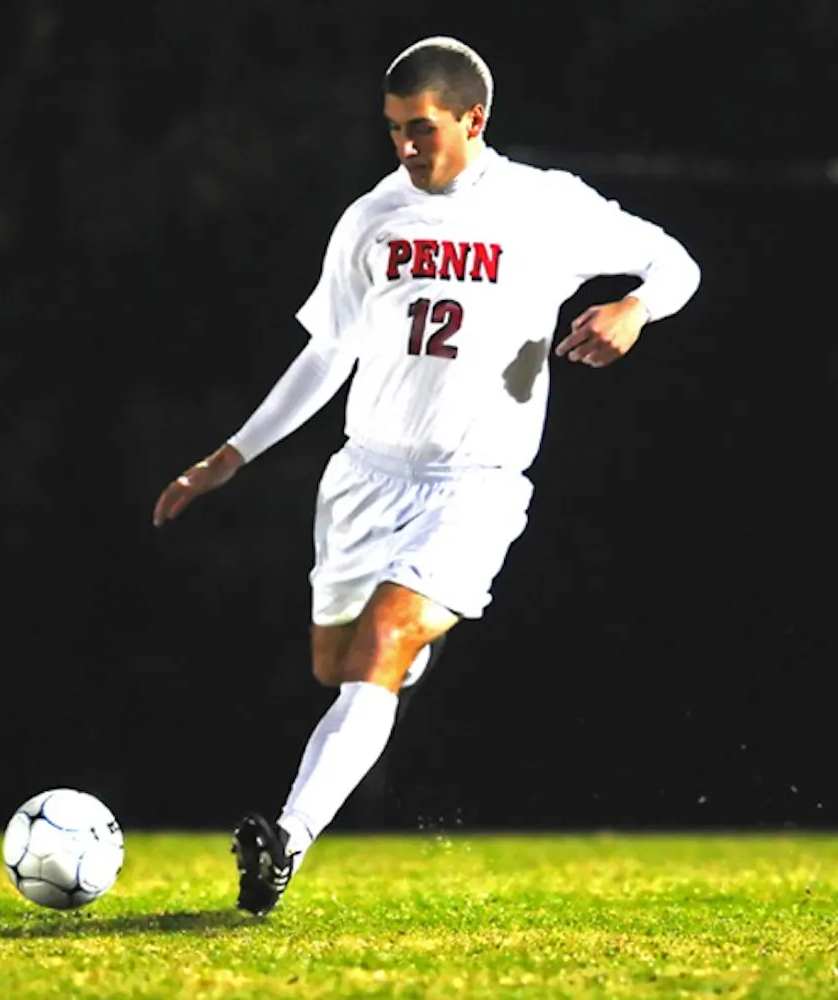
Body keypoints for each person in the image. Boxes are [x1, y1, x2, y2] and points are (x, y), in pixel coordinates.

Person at [151, 35, 701, 916]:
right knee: (338, 664)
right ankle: (406, 649)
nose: (406, 146)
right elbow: (329, 350)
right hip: (364, 476)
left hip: (474, 482)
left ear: (473, 119)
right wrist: (231, 455)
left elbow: (677, 262)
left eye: (423, 129)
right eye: (394, 129)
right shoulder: (372, 217)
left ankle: (283, 842)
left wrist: (634, 308)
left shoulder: (544, 206)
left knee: (381, 648)